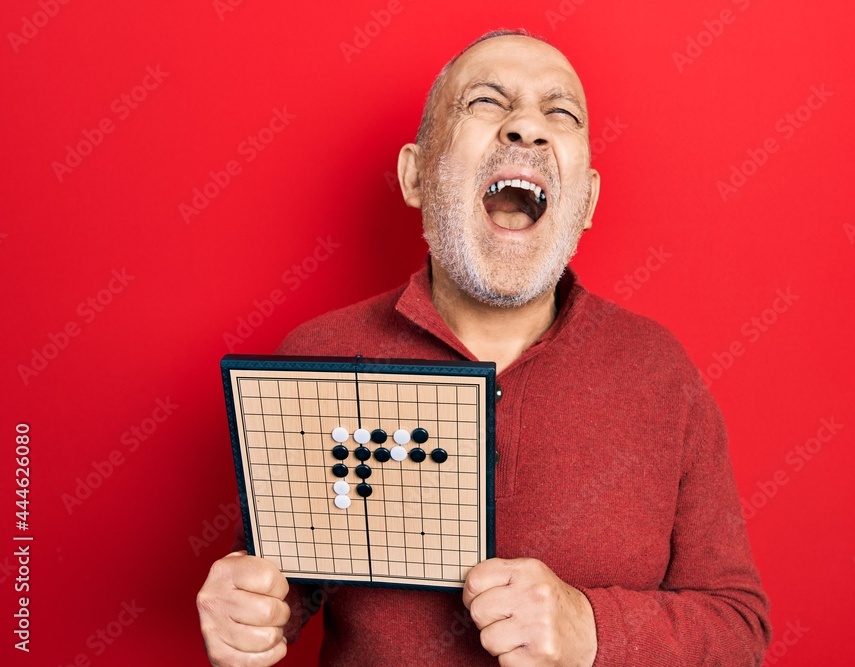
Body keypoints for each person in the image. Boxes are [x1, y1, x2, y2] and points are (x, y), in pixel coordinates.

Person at [197, 29, 770, 667]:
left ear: (587, 201)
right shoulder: (321, 352)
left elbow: (738, 630)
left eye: (561, 112)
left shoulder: (660, 371)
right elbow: (285, 581)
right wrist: (245, 610)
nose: (526, 126)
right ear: (416, 176)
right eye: (487, 103)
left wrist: (591, 630)